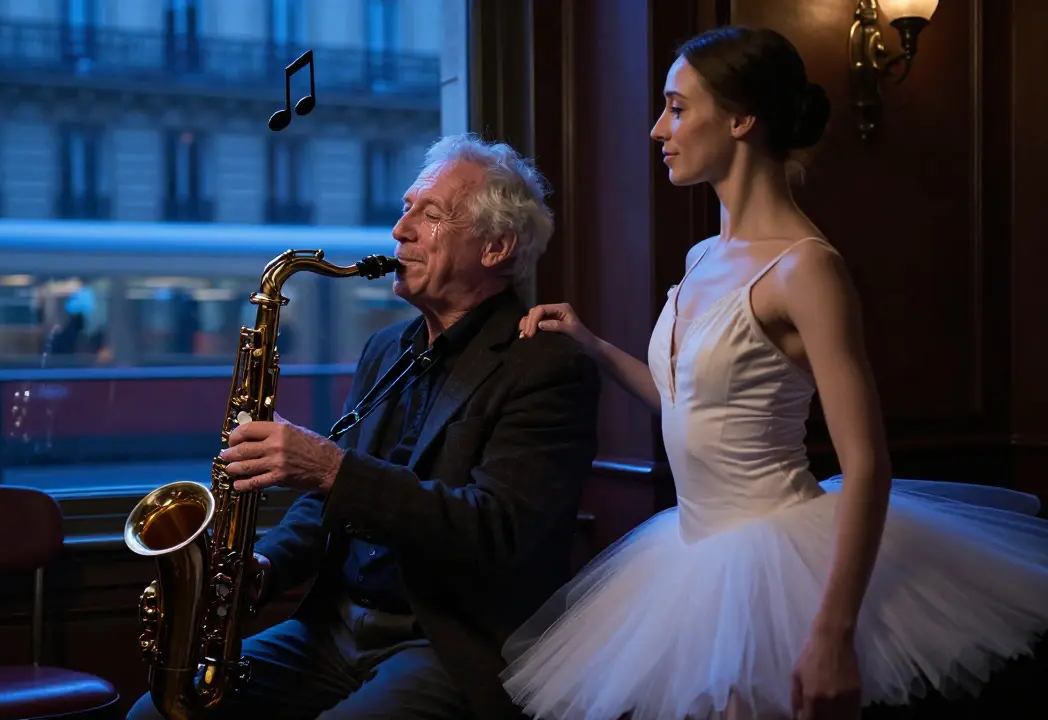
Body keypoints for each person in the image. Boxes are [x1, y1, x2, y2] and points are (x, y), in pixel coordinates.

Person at [499, 25, 1048, 720]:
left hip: (777, 561)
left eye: (676, 106)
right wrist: (594, 346)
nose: (655, 127)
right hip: (689, 556)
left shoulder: (806, 268)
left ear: (740, 118)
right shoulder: (702, 256)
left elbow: (868, 463)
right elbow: (688, 404)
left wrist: (831, 633)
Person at [126, 134, 601, 720]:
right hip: (334, 629)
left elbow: (495, 530)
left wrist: (326, 466)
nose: (399, 230)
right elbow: (328, 505)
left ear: (496, 246)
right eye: (404, 209)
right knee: (154, 715)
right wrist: (266, 568)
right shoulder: (386, 349)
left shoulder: (550, 366)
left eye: (430, 215)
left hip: (445, 642)